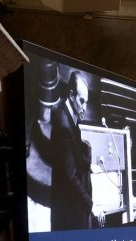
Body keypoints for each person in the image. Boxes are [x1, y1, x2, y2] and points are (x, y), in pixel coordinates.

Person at [50, 71, 97, 230]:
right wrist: (91, 206)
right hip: (65, 209)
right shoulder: (63, 124)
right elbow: (69, 176)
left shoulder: (70, 112)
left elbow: (73, 150)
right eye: (82, 101)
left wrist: (88, 165)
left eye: (87, 102)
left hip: (68, 201)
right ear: (71, 95)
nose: (84, 107)